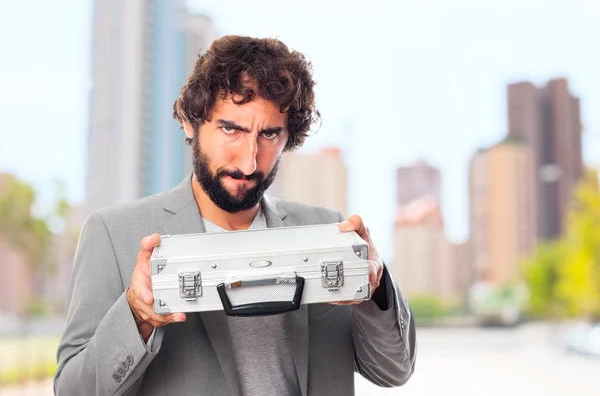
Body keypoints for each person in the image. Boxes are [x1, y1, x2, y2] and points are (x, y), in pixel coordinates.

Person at [54, 35, 417, 396]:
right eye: (231, 129)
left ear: (289, 137)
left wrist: (376, 288)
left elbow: (393, 371)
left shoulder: (329, 233)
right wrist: (136, 316)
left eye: (269, 135)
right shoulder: (112, 234)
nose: (248, 161)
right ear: (191, 122)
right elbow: (73, 391)